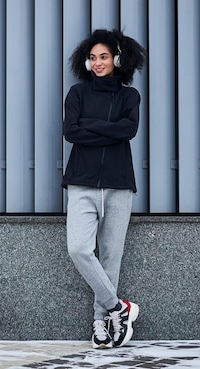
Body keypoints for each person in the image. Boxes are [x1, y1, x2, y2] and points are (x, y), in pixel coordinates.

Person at [62, 28, 146, 349]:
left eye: (104, 57)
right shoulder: (77, 94)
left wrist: (92, 127)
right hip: (82, 181)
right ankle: (118, 307)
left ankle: (101, 323)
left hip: (119, 184)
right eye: (93, 57)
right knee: (79, 249)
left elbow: (129, 130)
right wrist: (110, 131)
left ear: (117, 59)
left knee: (111, 258)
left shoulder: (129, 97)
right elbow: (72, 132)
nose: (98, 62)